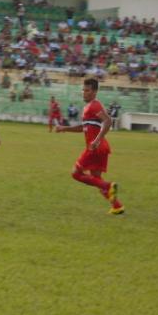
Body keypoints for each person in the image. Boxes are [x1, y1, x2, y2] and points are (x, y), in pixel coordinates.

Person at [56, 78, 124, 215]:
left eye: (87, 90)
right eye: (83, 90)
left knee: (75, 173)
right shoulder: (88, 108)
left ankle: (109, 186)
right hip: (100, 147)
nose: (84, 93)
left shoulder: (95, 105)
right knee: (96, 179)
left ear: (94, 92)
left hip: (95, 147)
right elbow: (84, 127)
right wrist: (65, 128)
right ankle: (117, 206)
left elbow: (108, 121)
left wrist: (97, 140)